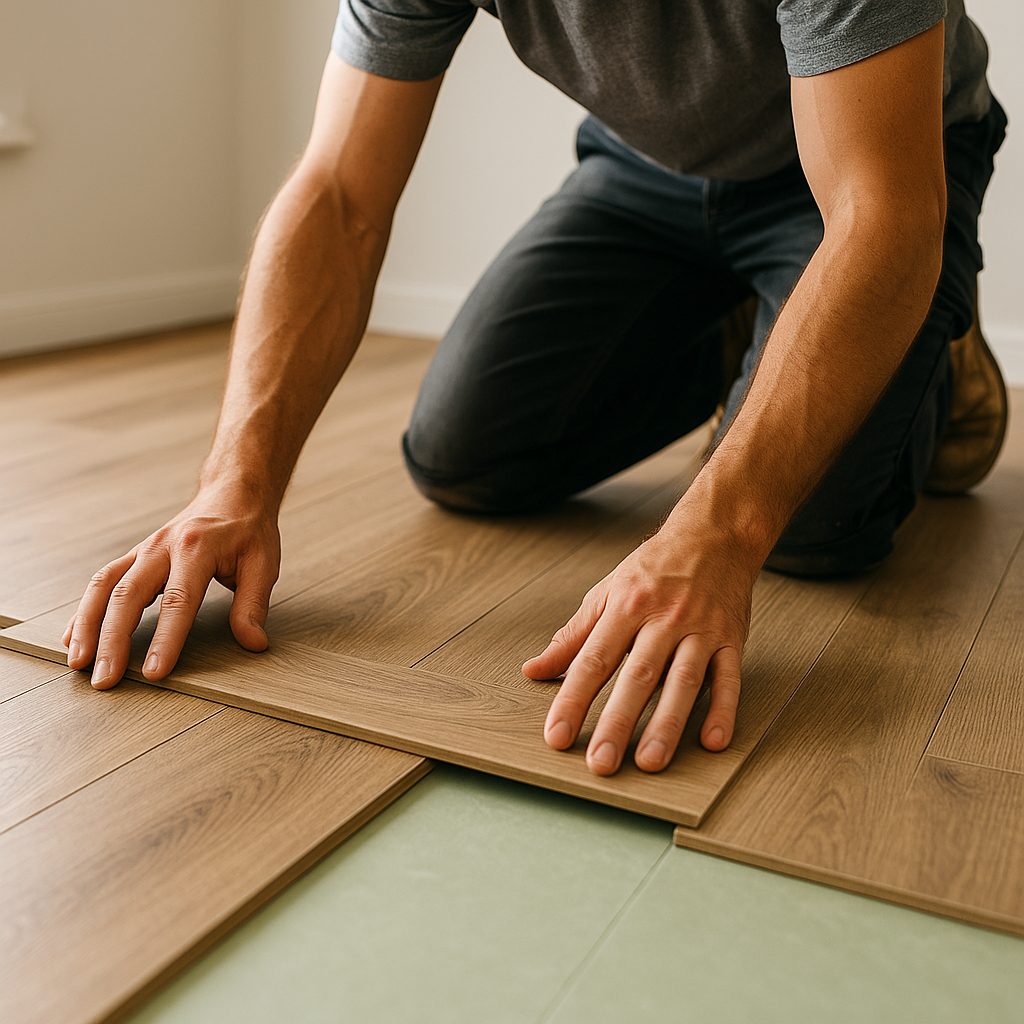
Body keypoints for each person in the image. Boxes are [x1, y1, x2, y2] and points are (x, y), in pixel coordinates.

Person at [63, 1, 1007, 778]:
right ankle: (761, 332)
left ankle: (927, 352)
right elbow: (341, 193)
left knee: (810, 530)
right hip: (651, 171)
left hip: (868, 178)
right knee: (465, 456)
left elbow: (881, 214)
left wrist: (715, 534)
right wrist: (235, 484)